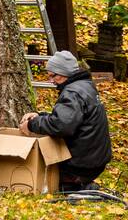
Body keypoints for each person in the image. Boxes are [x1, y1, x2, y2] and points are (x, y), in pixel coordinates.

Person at [18, 50, 112, 191]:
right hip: (95, 158)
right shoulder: (85, 86)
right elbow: (69, 118)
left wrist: (31, 125)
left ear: (64, 73)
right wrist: (39, 116)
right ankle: (80, 184)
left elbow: (61, 126)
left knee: (42, 173)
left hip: (81, 163)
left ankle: (77, 184)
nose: (51, 81)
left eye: (53, 76)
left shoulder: (72, 93)